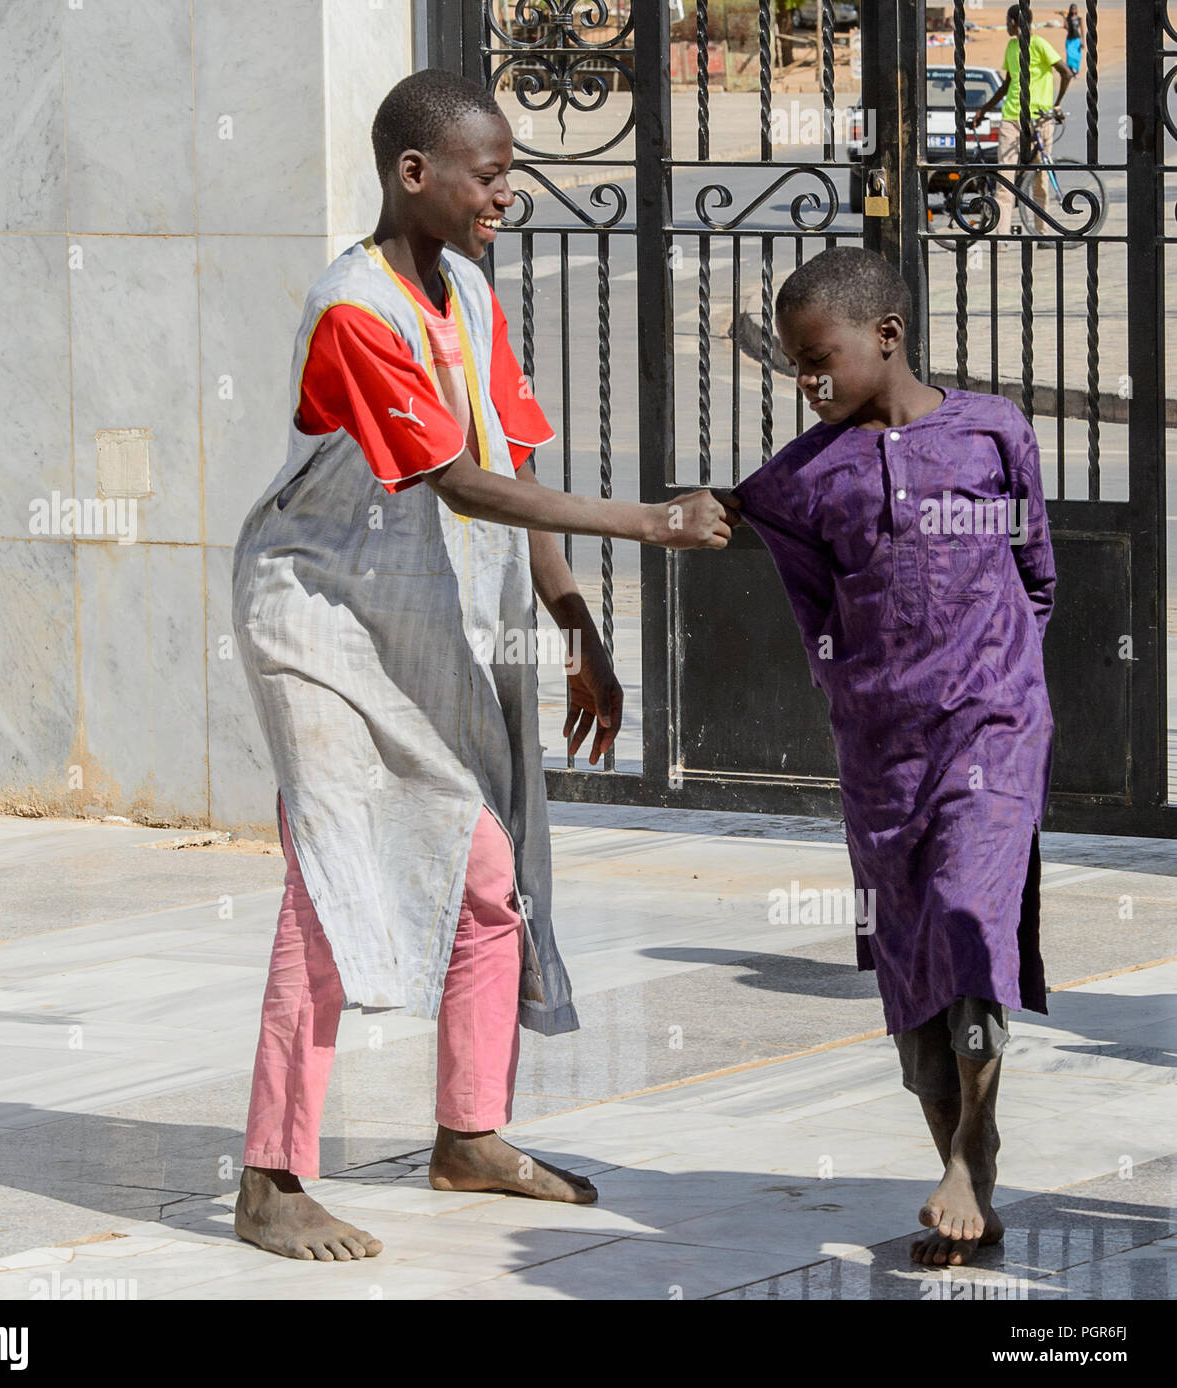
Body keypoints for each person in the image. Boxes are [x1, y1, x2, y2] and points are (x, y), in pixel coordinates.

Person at [229, 68, 739, 1263]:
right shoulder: (355, 306)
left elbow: (506, 457)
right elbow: (457, 482)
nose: (509, 192)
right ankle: (268, 1176)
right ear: (417, 174)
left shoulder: (466, 288)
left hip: (412, 619)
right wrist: (655, 523)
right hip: (314, 620)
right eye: (491, 172)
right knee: (333, 881)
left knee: (487, 870)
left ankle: (469, 1134)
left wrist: (575, 625)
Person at [733, 246, 1055, 1267]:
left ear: (886, 334)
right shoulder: (792, 485)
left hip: (992, 728)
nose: (808, 382)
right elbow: (815, 621)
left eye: (820, 357)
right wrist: (869, 697)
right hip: (880, 754)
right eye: (794, 367)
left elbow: (1034, 573)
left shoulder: (992, 432)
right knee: (913, 965)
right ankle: (965, 1164)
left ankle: (971, 1148)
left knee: (969, 914)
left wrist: (998, 684)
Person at [971, 4, 1074, 240]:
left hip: (1038, 118)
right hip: (1011, 117)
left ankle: (1042, 234)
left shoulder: (1038, 44)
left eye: (1007, 21)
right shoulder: (1011, 45)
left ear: (1014, 22)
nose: (1006, 25)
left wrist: (1055, 104)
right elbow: (1007, 84)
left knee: (1040, 178)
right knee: (1004, 180)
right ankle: (1003, 237)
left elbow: (1065, 73)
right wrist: (984, 110)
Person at [1062, 6, 1083, 76]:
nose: (1073, 10)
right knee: (1070, 55)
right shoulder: (1068, 18)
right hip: (1070, 39)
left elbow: (1082, 31)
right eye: (1072, 9)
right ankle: (1070, 69)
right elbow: (1066, 27)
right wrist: (1064, 17)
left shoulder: (1079, 19)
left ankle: (1076, 69)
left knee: (1077, 56)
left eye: (1074, 9)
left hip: (1077, 39)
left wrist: (1083, 41)